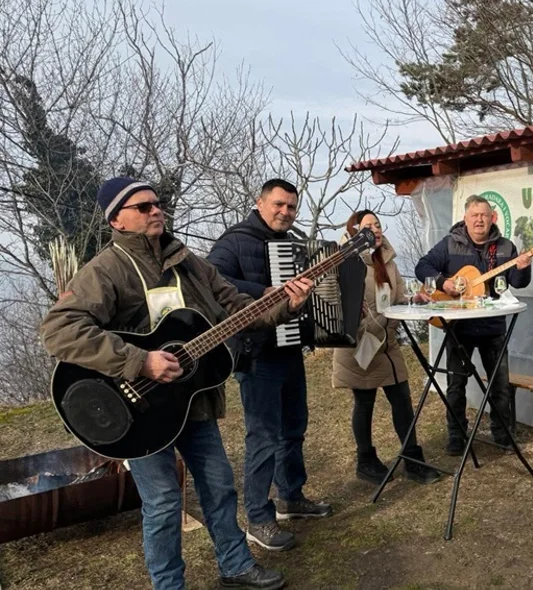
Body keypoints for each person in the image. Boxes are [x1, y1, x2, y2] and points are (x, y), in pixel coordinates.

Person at [39, 176, 314, 589]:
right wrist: (139, 360)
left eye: (157, 204)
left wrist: (284, 306)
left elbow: (236, 308)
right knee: (165, 502)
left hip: (191, 399)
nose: (156, 211)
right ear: (118, 220)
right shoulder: (107, 270)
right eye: (144, 207)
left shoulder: (188, 262)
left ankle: (235, 566)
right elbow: (58, 330)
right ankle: (169, 585)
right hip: (136, 411)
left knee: (220, 486)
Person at [206, 179, 331, 553]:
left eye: (291, 207)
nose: (285, 212)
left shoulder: (295, 245)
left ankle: (292, 497)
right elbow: (213, 281)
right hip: (256, 352)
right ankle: (259, 518)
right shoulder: (234, 240)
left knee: (294, 427)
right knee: (262, 436)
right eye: (279, 204)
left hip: (289, 347)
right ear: (260, 203)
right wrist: (265, 291)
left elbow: (302, 299)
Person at [331, 210, 442, 485]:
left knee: (402, 400)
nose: (376, 230)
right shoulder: (344, 260)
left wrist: (413, 298)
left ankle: (413, 461)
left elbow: (396, 298)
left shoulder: (389, 261)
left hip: (387, 344)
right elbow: (332, 298)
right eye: (368, 226)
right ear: (355, 232)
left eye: (378, 225)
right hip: (359, 345)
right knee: (365, 402)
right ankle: (366, 462)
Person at [415, 194, 532, 455]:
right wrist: (442, 282)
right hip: (459, 329)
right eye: (474, 215)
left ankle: (501, 434)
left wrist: (523, 267)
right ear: (465, 219)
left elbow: (518, 282)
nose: (480, 220)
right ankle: (456, 436)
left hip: (493, 327)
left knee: (499, 384)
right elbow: (422, 266)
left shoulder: (504, 247)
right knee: (456, 384)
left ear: (492, 218)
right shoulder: (449, 244)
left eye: (484, 215)